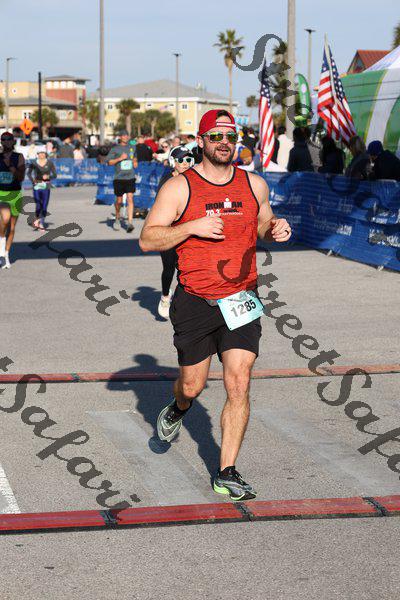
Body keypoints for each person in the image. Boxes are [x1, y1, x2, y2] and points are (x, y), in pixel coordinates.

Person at [139, 109, 291, 501]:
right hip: (195, 300)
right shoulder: (180, 187)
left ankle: (227, 471)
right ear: (202, 140)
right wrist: (191, 226)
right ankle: (178, 408)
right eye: (216, 136)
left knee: (239, 381)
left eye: (230, 136)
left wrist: (275, 228)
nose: (224, 143)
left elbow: (263, 223)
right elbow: (148, 239)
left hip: (241, 297)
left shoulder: (254, 184)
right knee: (192, 385)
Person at [157, 145, 195, 318]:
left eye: (188, 159)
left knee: (186, 268)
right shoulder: (167, 182)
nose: (185, 163)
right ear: (173, 162)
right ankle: (165, 296)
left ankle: (185, 304)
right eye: (181, 160)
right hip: (168, 231)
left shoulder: (195, 179)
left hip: (188, 231)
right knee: (169, 268)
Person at [0, 132, 26, 269]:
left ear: (13, 141)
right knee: (5, 219)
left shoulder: (19, 157)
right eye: (3, 139)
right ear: (1, 142)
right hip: (1, 193)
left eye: (9, 139)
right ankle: (1, 251)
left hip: (15, 194)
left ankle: (6, 254)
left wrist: (10, 166)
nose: (6, 141)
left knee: (11, 227)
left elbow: (21, 177)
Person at [107, 130, 138, 232]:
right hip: (119, 178)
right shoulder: (115, 149)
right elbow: (109, 162)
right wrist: (120, 158)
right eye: (123, 135)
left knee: (130, 198)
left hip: (130, 177)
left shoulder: (132, 147)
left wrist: (135, 162)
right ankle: (117, 218)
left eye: (126, 135)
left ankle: (130, 223)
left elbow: (135, 159)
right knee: (119, 201)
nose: (125, 137)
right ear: (120, 137)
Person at [27, 150, 57, 230]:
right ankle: (37, 218)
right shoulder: (34, 163)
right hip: (37, 186)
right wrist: (33, 181)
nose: (42, 155)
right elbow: (28, 173)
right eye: (40, 153)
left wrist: (48, 177)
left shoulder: (49, 163)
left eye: (43, 153)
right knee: (38, 205)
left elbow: (55, 175)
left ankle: (41, 222)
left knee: (44, 205)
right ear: (38, 154)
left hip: (46, 186)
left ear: (45, 154)